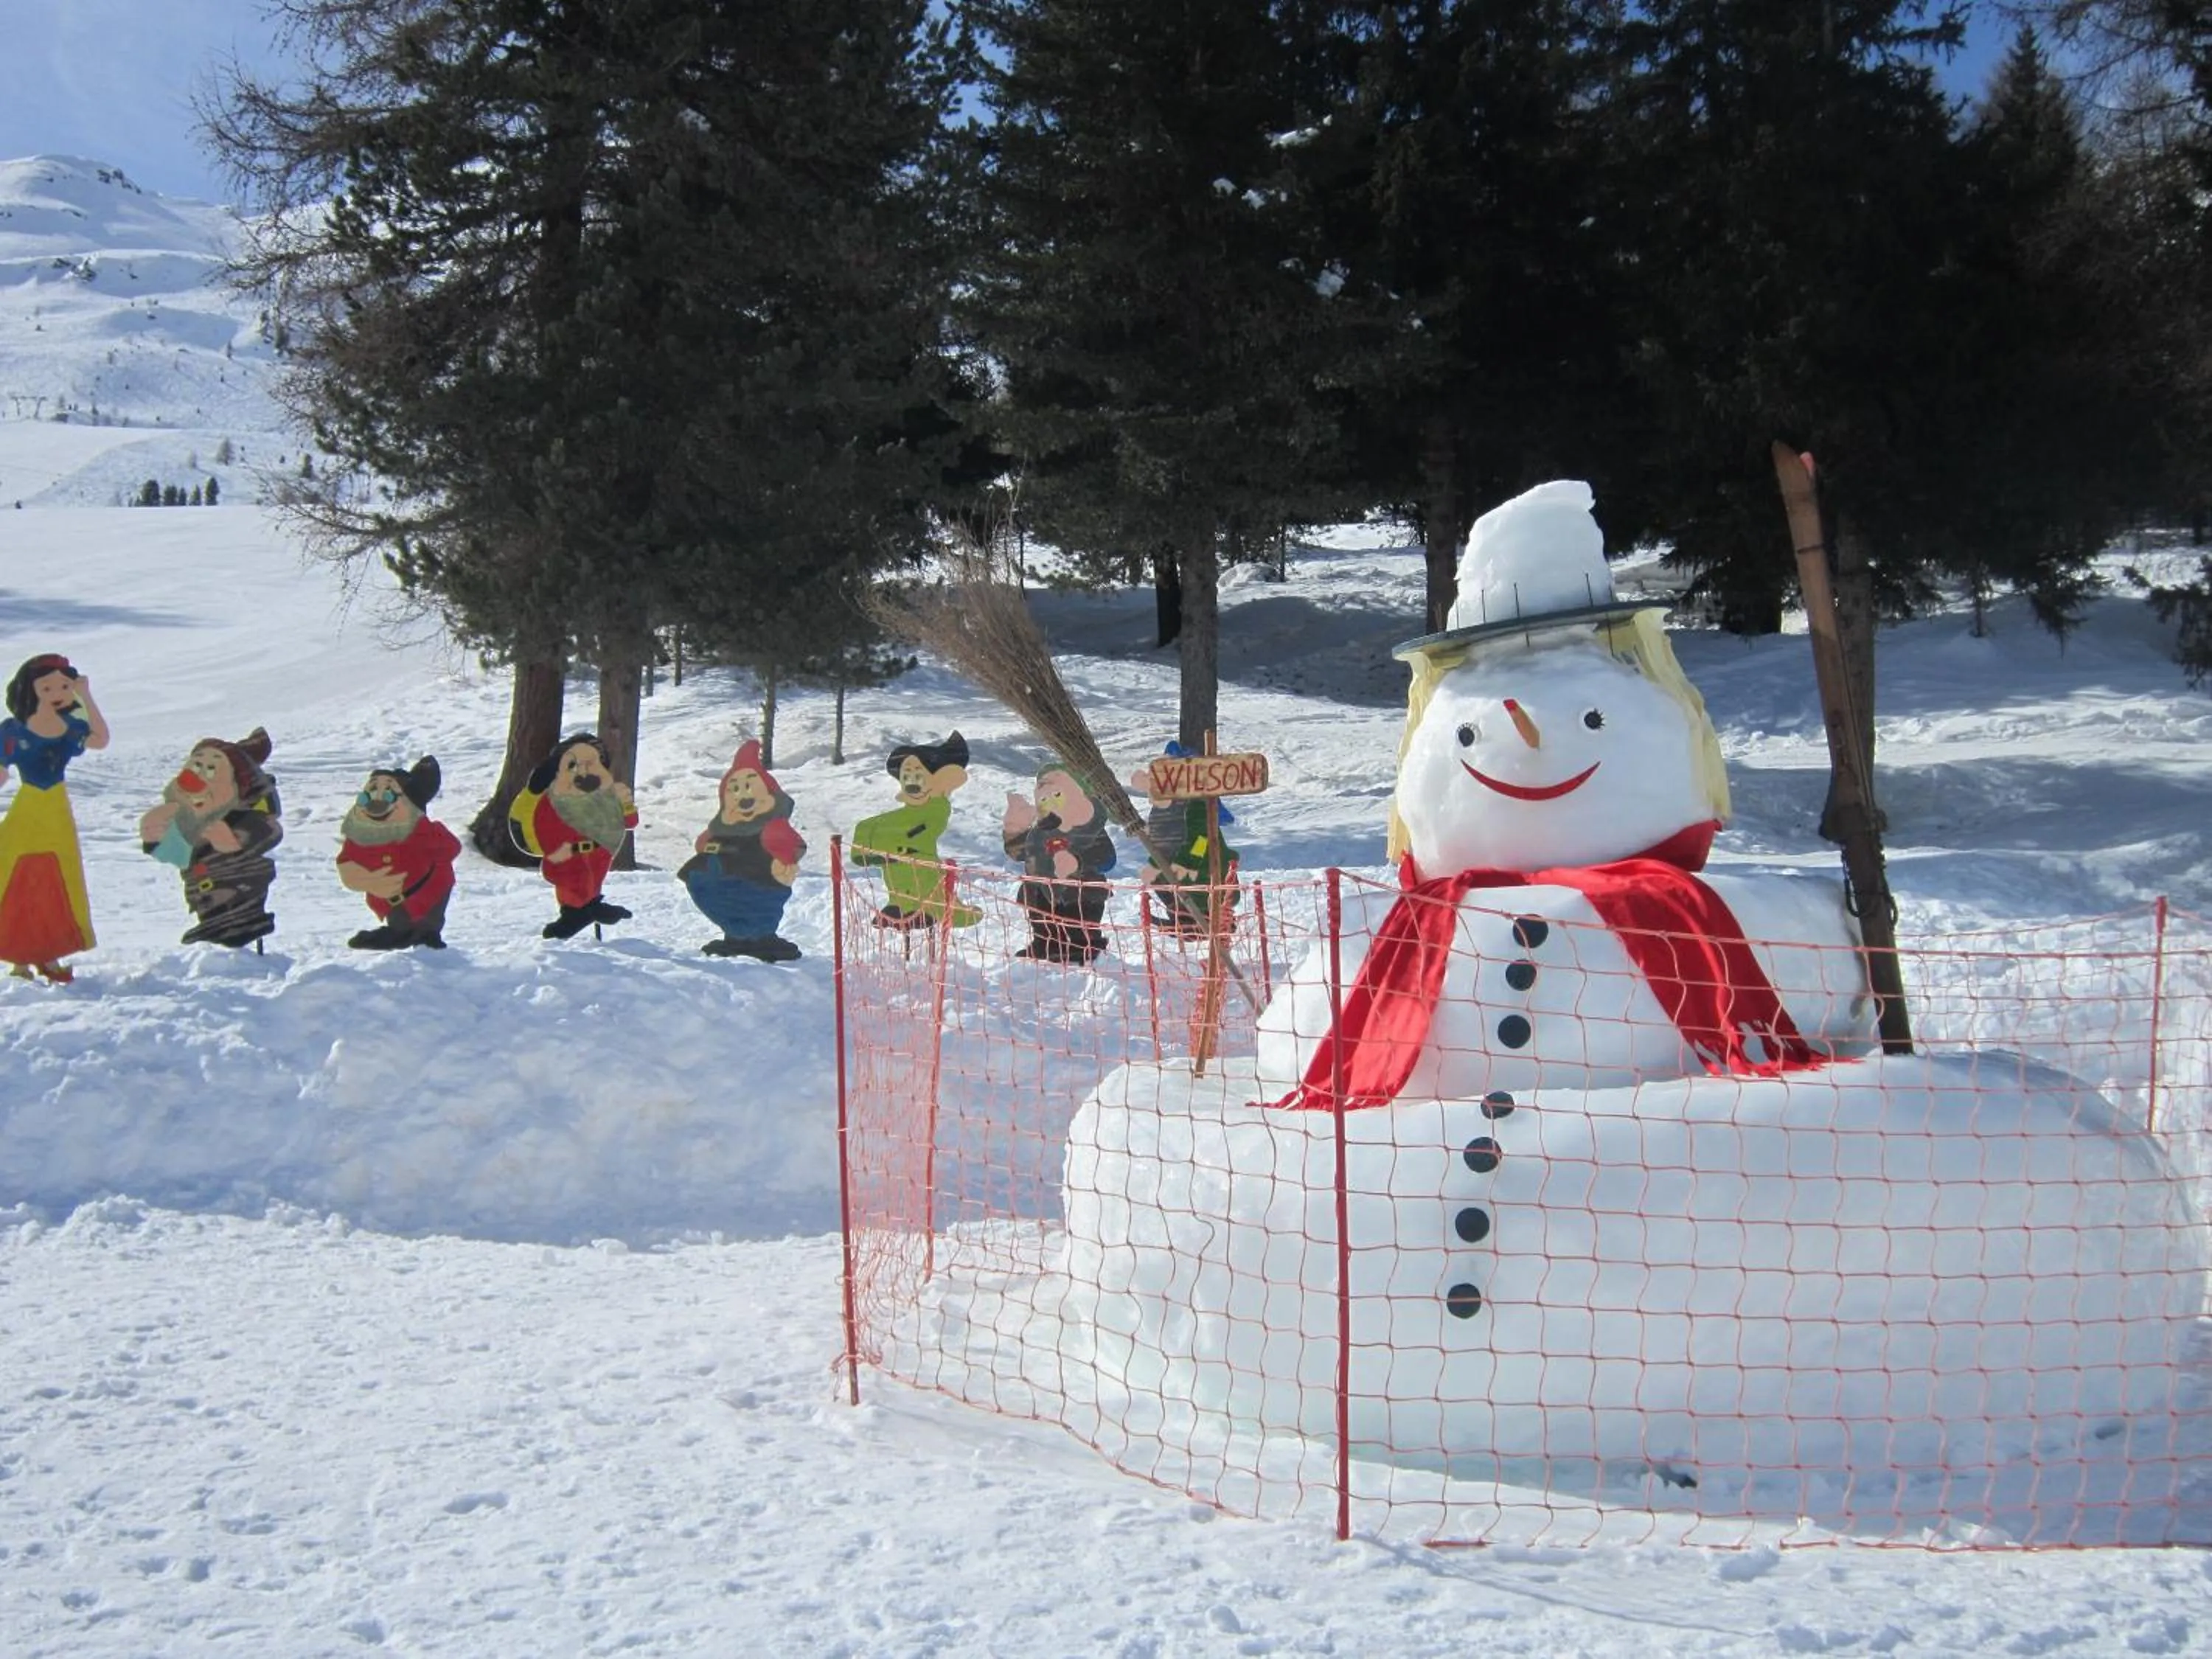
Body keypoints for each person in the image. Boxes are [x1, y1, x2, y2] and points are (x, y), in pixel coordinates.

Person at [0, 655, 109, 984]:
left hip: (56, 813)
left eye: (64, 686)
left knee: (57, 881)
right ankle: (18, 954)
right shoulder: (13, 730)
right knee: (15, 878)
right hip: (28, 810)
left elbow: (101, 740)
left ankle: (48, 952)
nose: (57, 692)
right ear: (31, 690)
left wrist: (87, 695)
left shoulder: (71, 729)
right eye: (47, 687)